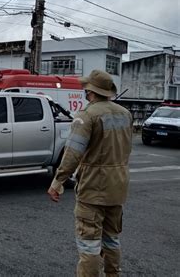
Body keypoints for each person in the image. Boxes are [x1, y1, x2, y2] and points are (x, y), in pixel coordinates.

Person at [47, 70, 133, 277]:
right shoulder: (126, 114)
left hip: (93, 188)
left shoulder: (87, 115)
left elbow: (72, 153)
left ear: (90, 91)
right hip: (118, 187)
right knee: (111, 238)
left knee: (89, 245)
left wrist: (58, 181)